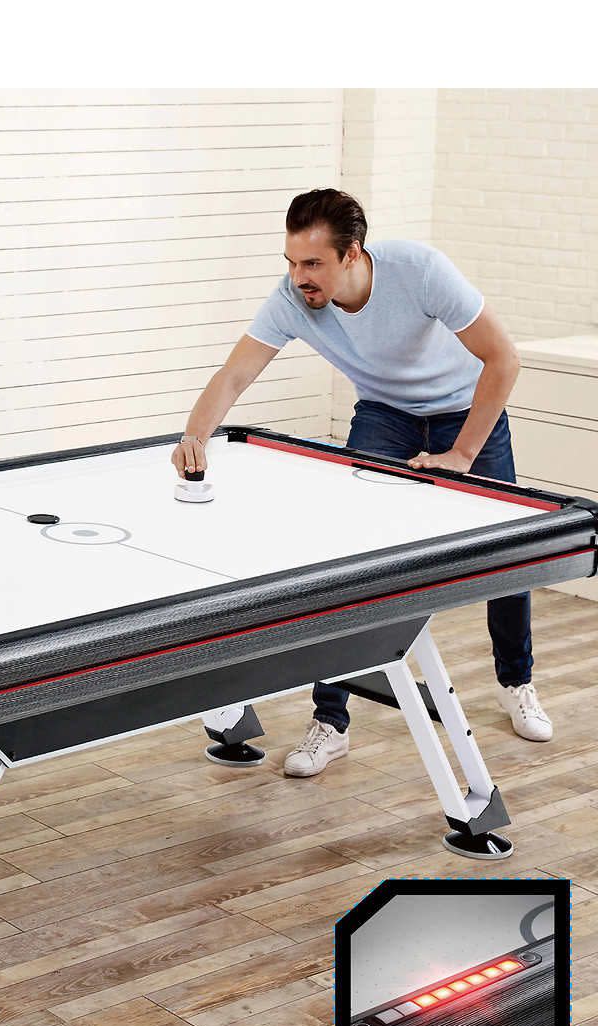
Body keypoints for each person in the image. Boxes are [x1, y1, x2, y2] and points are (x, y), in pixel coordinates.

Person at [172, 188, 549, 779]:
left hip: (466, 410)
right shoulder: (294, 298)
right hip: (385, 413)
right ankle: (331, 722)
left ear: (352, 254)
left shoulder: (419, 271)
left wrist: (462, 452)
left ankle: (516, 681)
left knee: (506, 556)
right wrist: (194, 436)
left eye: (313, 263)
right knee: (348, 565)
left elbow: (503, 358)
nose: (299, 277)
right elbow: (235, 373)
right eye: (292, 262)